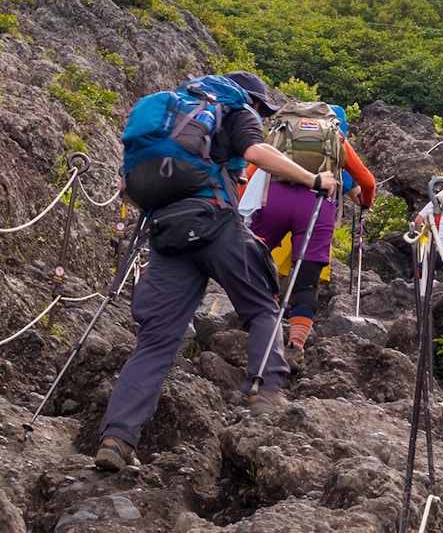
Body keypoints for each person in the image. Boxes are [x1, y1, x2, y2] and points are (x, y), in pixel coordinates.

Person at [95, 70, 337, 472]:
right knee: (262, 304)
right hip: (215, 223)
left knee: (155, 341)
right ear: (254, 101)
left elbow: (128, 188)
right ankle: (265, 388)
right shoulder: (239, 110)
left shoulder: (170, 114)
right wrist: (313, 177)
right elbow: (258, 154)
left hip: (167, 233)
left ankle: (116, 438)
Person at [247, 108, 376, 355]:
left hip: (273, 200)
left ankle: (264, 323)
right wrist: (366, 203)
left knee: (254, 260)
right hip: (317, 205)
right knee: (306, 283)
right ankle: (296, 343)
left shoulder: (281, 131)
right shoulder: (335, 138)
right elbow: (367, 182)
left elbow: (251, 169)